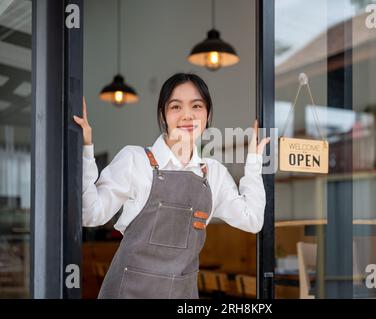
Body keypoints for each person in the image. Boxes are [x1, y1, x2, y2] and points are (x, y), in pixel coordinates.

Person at [73, 73, 270, 299]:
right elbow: (90, 215)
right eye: (176, 106)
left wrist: (254, 162)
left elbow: (252, 220)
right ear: (163, 115)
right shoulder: (134, 160)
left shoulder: (213, 174)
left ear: (208, 114)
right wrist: (86, 148)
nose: (187, 115)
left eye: (197, 106)